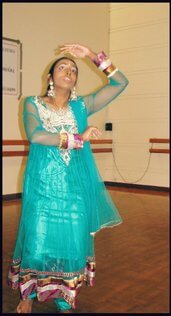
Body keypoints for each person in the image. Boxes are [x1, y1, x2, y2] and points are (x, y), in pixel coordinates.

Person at [8, 43, 129, 313]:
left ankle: (65, 293)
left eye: (73, 69)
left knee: (72, 243)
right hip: (43, 186)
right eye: (62, 67)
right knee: (37, 241)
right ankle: (27, 294)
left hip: (74, 187)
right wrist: (77, 139)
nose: (69, 71)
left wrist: (91, 57)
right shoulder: (33, 103)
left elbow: (120, 83)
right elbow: (36, 135)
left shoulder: (81, 106)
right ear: (50, 78)